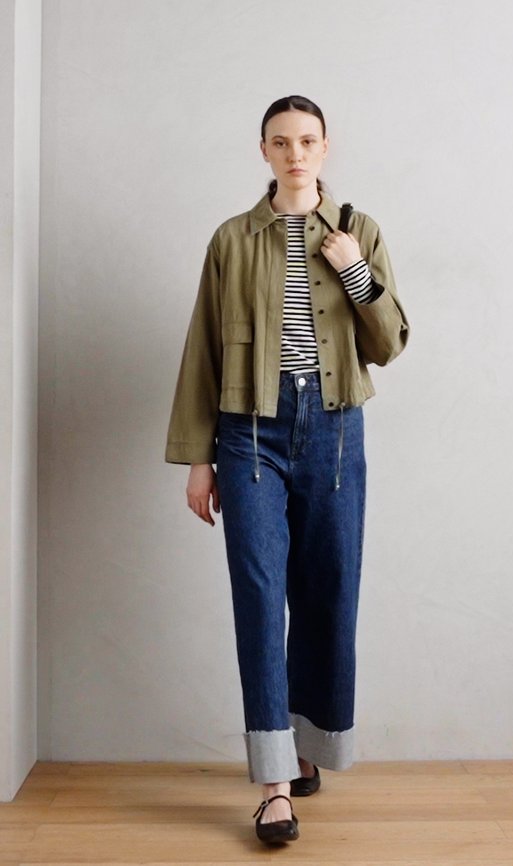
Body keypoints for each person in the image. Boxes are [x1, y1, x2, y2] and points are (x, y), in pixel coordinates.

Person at [165, 94, 410, 845]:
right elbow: (203, 350)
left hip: (334, 432)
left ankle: (309, 748)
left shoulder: (359, 231)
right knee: (260, 597)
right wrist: (199, 459)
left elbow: (389, 343)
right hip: (249, 433)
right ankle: (274, 786)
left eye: (307, 140)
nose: (295, 153)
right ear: (264, 151)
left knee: (329, 590)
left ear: (325, 147)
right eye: (281, 141)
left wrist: (354, 270)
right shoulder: (232, 240)